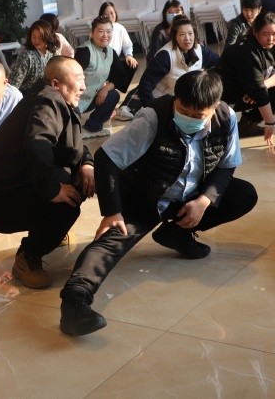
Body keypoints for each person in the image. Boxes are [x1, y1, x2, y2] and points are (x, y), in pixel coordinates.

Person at [58, 70, 258, 336]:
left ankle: (176, 234)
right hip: (144, 196)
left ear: (214, 107)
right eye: (182, 110)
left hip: (190, 193)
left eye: (198, 115)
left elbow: (226, 166)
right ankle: (75, 303)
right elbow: (107, 158)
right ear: (176, 98)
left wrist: (204, 200)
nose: (188, 118)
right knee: (109, 244)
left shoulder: (226, 117)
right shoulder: (153, 117)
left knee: (243, 194)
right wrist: (112, 212)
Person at [0, 57, 94, 289]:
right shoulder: (48, 102)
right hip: (0, 204)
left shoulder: (55, 99)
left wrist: (87, 164)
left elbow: (73, 144)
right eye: (78, 79)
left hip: (8, 193)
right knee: (69, 198)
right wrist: (52, 189)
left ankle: (47, 232)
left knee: (76, 177)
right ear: (56, 83)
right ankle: (28, 256)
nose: (83, 87)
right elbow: (37, 144)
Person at [218, 12, 275, 144]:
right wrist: (270, 123)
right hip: (228, 94)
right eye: (265, 34)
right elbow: (259, 92)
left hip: (252, 90)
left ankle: (247, 125)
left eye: (274, 33)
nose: (271, 39)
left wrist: (262, 86)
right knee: (223, 134)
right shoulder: (247, 49)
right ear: (255, 32)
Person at [137, 16, 219, 106]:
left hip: (187, 100)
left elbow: (219, 64)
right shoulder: (165, 56)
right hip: (164, 100)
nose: (187, 38)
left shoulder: (201, 50)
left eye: (190, 33)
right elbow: (145, 85)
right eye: (182, 34)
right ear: (175, 37)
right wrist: (152, 107)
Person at [74, 16, 128, 139]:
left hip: (92, 98)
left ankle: (91, 128)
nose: (105, 35)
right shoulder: (85, 51)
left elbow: (122, 77)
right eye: (101, 31)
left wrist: (105, 89)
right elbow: (71, 78)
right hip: (75, 100)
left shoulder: (111, 52)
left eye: (108, 31)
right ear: (92, 33)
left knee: (113, 95)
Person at [9, 20, 59, 93]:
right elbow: (14, 85)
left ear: (48, 37)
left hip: (47, 93)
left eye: (40, 38)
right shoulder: (26, 55)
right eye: (33, 37)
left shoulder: (53, 52)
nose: (36, 41)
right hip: (26, 95)